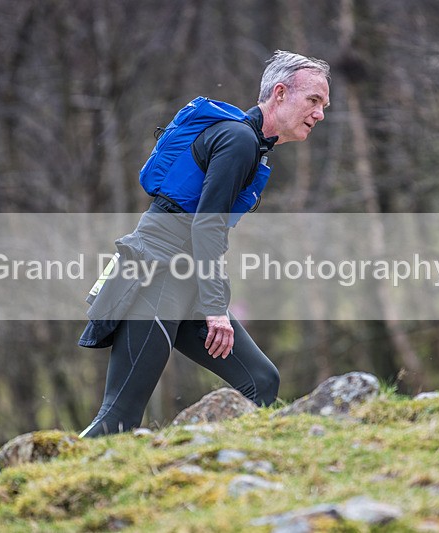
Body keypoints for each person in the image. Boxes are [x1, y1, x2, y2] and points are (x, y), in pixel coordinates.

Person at [78, 50, 330, 437]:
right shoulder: (239, 140)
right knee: (119, 417)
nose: (320, 114)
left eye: (324, 105)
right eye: (314, 100)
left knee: (261, 381)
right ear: (280, 93)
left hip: (185, 279)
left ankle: (228, 473)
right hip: (155, 276)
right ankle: (32, 487)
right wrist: (216, 309)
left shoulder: (252, 146)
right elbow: (207, 227)